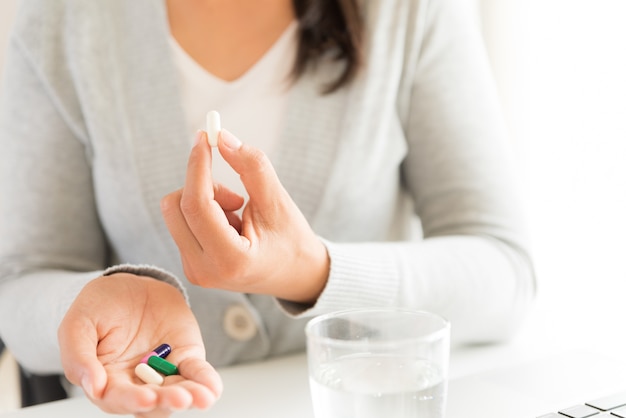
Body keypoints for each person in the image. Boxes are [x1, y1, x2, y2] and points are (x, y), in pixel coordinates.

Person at [0, 0, 536, 416]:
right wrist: (88, 302)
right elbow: (20, 282)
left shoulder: (407, 13)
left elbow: (505, 272)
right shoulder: (61, 24)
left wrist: (311, 271)